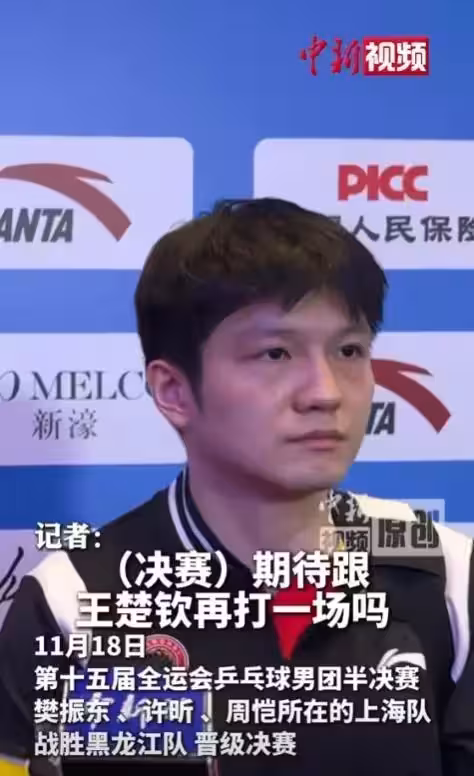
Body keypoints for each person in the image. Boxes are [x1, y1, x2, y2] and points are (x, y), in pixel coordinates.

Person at [0, 198, 473, 776]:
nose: (325, 392)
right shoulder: (73, 599)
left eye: (349, 350)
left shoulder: (443, 573)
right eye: (275, 353)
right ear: (174, 391)